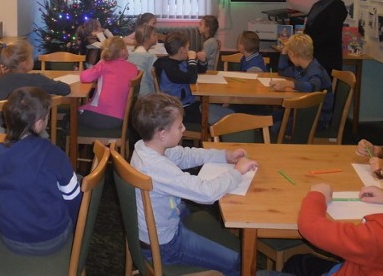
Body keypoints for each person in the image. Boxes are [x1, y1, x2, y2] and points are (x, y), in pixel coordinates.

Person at [259, 137, 383, 276]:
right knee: (298, 262)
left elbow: (310, 226)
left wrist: (317, 194)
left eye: (382, 175)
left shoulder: (379, 236)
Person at [130, 93, 258, 276]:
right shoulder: (157, 168)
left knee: (187, 211)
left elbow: (184, 155)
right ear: (163, 134)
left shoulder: (145, 147)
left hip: (155, 230)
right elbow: (206, 193)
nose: (183, 129)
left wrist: (224, 156)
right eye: (179, 126)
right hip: (164, 245)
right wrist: (237, 172)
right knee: (237, 262)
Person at [0, 86, 81, 256]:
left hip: (10, 238)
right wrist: (70, 223)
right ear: (39, 123)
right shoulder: (53, 154)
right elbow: (73, 198)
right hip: (52, 238)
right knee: (73, 185)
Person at [0, 40, 71, 138]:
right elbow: (65, 89)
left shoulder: (0, 80)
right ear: (25, 63)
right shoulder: (36, 80)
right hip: (32, 132)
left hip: (5, 132)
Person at [154, 31, 232, 126]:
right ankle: (210, 136)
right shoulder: (169, 68)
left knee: (222, 111)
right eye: (188, 47)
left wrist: (202, 61)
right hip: (179, 111)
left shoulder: (179, 61)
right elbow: (191, 78)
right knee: (220, 119)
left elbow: (196, 71)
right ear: (182, 50)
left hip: (187, 103)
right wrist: (191, 59)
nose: (189, 50)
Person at [270, 33, 333, 133]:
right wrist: (284, 52)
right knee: (270, 119)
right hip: (304, 111)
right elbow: (282, 71)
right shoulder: (301, 67)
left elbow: (312, 87)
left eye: (288, 53)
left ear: (293, 54)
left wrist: (290, 84)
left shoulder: (315, 70)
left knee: (275, 127)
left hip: (318, 118)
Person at [78, 36, 138, 129]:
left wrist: (101, 61)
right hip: (122, 117)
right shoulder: (133, 68)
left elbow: (84, 77)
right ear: (123, 50)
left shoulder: (104, 65)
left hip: (102, 116)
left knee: (72, 115)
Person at [304, 0, 347, 77]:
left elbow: (331, 33)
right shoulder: (317, 5)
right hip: (312, 53)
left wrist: (310, 45)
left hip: (327, 56)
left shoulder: (338, 6)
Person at [126, 24, 158, 96]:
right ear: (147, 39)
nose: (156, 36)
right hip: (146, 95)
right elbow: (153, 80)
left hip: (131, 94)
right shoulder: (151, 58)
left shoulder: (131, 55)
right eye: (154, 35)